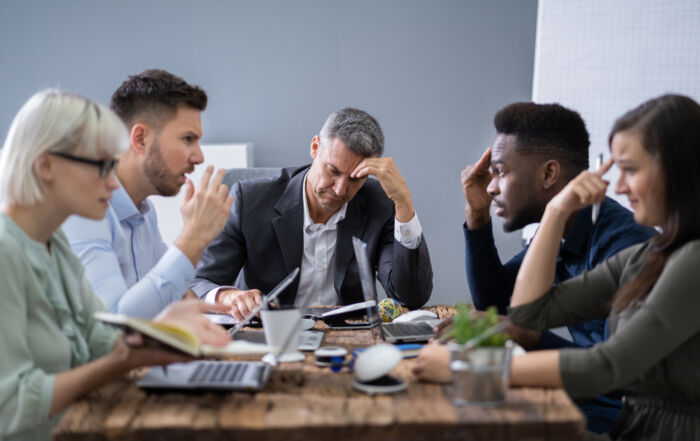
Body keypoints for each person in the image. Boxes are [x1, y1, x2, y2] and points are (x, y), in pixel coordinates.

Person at [415, 94, 700, 440]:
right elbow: (525, 314)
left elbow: (608, 367)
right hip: (634, 424)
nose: (620, 186)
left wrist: (471, 369)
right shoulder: (652, 254)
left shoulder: (683, 257)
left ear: (675, 169)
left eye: (630, 169)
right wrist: (554, 213)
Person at [0, 90, 230, 440]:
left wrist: (153, 335)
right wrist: (127, 357)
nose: (113, 182)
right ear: (45, 165)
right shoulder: (6, 252)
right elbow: (11, 408)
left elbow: (98, 341)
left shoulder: (53, 244)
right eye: (102, 166)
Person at [459, 102, 655, 433]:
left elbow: (618, 374)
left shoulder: (624, 244)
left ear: (549, 174)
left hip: (623, 413)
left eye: (502, 171)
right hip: (585, 392)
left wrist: (530, 338)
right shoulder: (560, 230)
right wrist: (477, 217)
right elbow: (496, 303)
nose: (491, 187)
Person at [191, 108, 433, 320]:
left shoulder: (379, 203)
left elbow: (411, 296)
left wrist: (404, 204)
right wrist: (228, 296)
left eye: (355, 179)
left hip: (348, 336)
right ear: (315, 147)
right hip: (270, 333)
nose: (340, 190)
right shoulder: (250, 200)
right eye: (333, 171)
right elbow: (200, 283)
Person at [62, 69, 232, 318]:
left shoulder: (144, 211)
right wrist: (193, 238)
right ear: (140, 139)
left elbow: (174, 296)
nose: (199, 156)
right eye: (187, 139)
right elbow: (114, 323)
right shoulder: (82, 210)